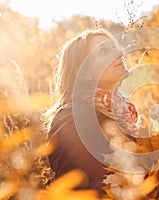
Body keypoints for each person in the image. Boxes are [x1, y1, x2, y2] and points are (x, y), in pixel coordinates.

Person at [42, 28, 139, 196]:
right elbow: (75, 190)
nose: (119, 53)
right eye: (103, 51)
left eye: (114, 47)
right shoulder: (72, 118)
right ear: (84, 72)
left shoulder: (124, 116)